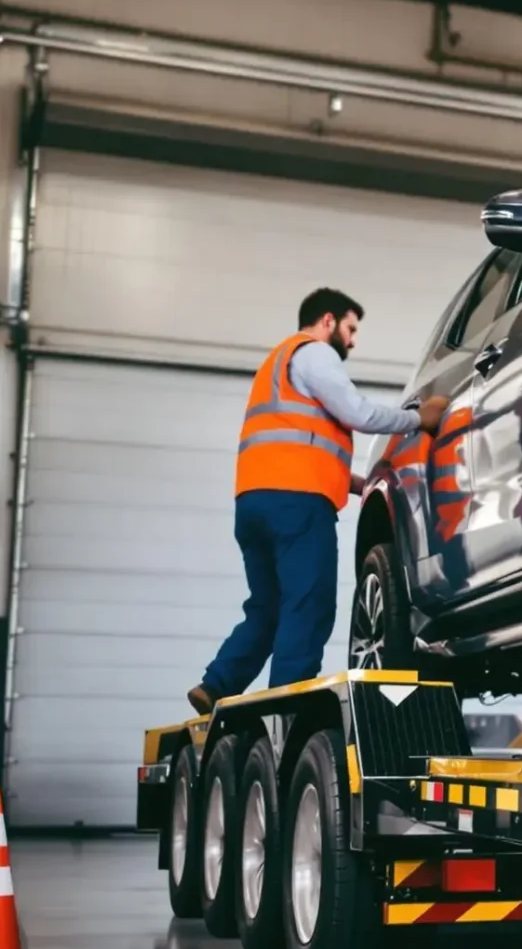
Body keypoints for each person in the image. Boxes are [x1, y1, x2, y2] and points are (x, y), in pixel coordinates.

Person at [188, 289, 446, 715]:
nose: (352, 340)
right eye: (350, 328)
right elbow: (358, 414)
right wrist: (420, 420)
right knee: (308, 603)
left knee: (267, 606)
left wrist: (363, 484)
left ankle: (216, 684)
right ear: (327, 321)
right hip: (298, 505)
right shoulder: (314, 354)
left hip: (255, 502)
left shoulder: (278, 364)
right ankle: (288, 709)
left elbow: (303, 445)